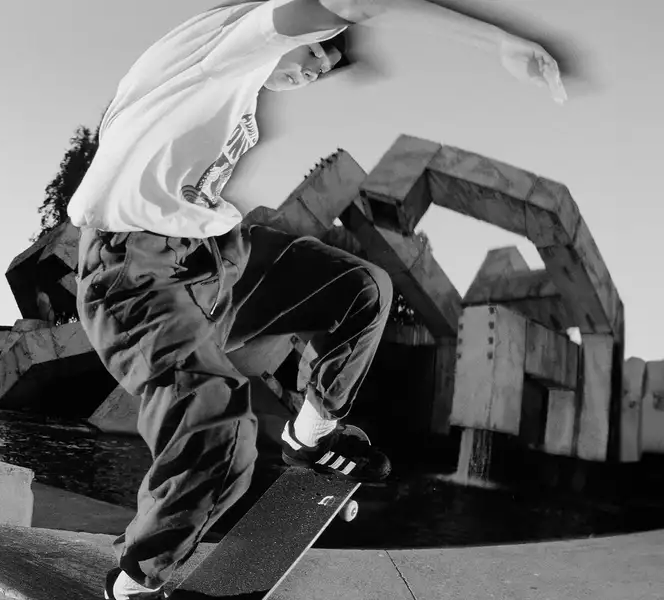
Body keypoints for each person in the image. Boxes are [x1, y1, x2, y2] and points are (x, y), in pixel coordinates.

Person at [67, 1, 566, 597]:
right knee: (222, 438)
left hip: (215, 259)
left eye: (326, 66)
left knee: (360, 290)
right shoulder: (229, 42)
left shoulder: (231, 86)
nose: (316, 68)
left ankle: (311, 433)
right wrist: (500, 40)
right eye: (316, 51)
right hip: (136, 278)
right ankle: (134, 585)